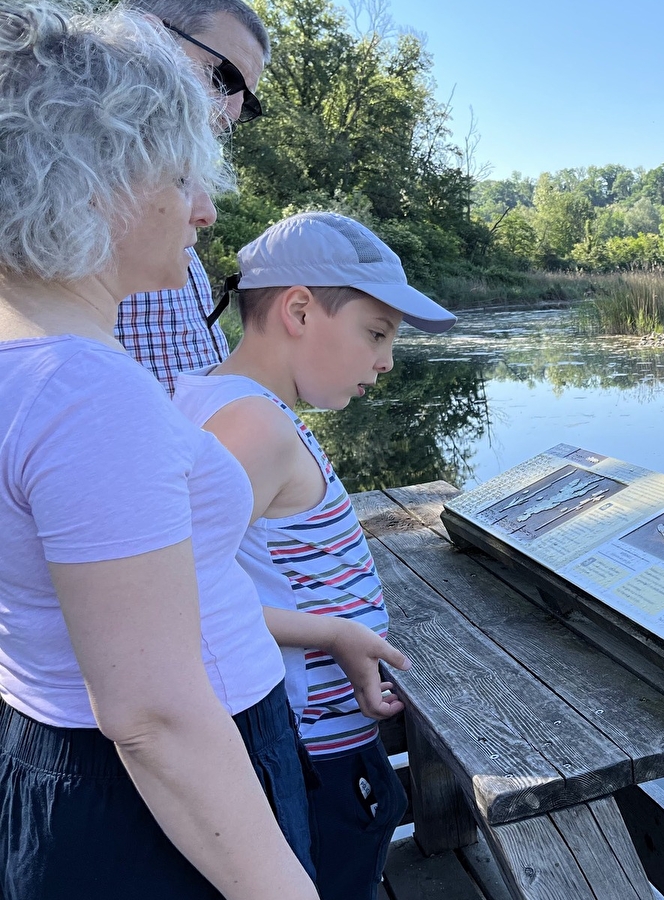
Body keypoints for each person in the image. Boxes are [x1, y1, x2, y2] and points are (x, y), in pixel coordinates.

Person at [0, 4, 316, 897]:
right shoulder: (85, 392)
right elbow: (154, 718)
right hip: (169, 801)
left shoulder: (27, 357)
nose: (205, 210)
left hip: (60, 765)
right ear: (92, 176)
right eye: (181, 176)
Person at [172, 212, 456, 900]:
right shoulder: (253, 427)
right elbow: (177, 597)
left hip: (310, 737)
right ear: (299, 310)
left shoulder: (214, 396)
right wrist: (333, 634)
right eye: (376, 334)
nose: (386, 361)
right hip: (308, 749)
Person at [115, 0, 270, 393]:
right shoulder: (50, 182)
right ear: (144, 35)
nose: (232, 112)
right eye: (222, 76)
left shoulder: (168, 194)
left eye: (248, 101)